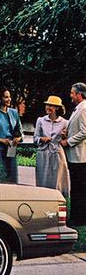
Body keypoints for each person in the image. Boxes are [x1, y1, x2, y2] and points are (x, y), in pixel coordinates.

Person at [60, 83, 86, 226]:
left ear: (79, 94)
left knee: (79, 189)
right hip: (76, 156)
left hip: (80, 156)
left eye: (72, 93)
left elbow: (84, 132)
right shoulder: (79, 109)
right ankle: (78, 216)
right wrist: (67, 133)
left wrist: (68, 142)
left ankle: (79, 218)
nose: (70, 95)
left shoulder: (83, 109)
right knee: (77, 188)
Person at [33, 96, 69, 197]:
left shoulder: (65, 123)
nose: (48, 107)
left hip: (57, 154)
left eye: (51, 106)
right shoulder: (40, 120)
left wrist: (64, 136)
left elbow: (66, 141)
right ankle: (43, 199)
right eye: (47, 105)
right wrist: (42, 139)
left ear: (57, 108)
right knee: (42, 179)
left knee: (57, 180)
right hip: (43, 153)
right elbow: (35, 139)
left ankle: (58, 200)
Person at [0, 87, 23, 183]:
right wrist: (1, 140)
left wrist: (17, 138)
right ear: (0, 98)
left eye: (9, 97)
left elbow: (19, 131)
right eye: (6, 97)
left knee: (12, 177)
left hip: (11, 149)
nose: (9, 99)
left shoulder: (14, 112)